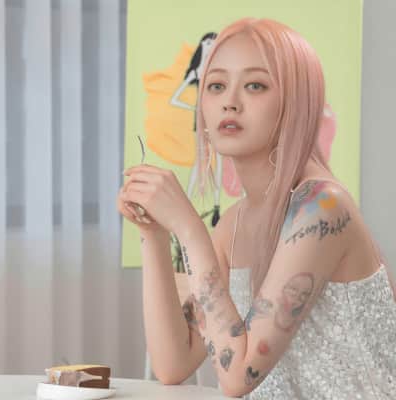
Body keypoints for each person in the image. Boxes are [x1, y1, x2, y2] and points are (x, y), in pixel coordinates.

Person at [117, 17, 396, 399]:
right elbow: (172, 363)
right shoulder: (234, 224)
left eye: (255, 85)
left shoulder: (323, 207)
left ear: (296, 103)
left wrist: (189, 229)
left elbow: (238, 377)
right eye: (216, 86)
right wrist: (153, 232)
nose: (230, 101)